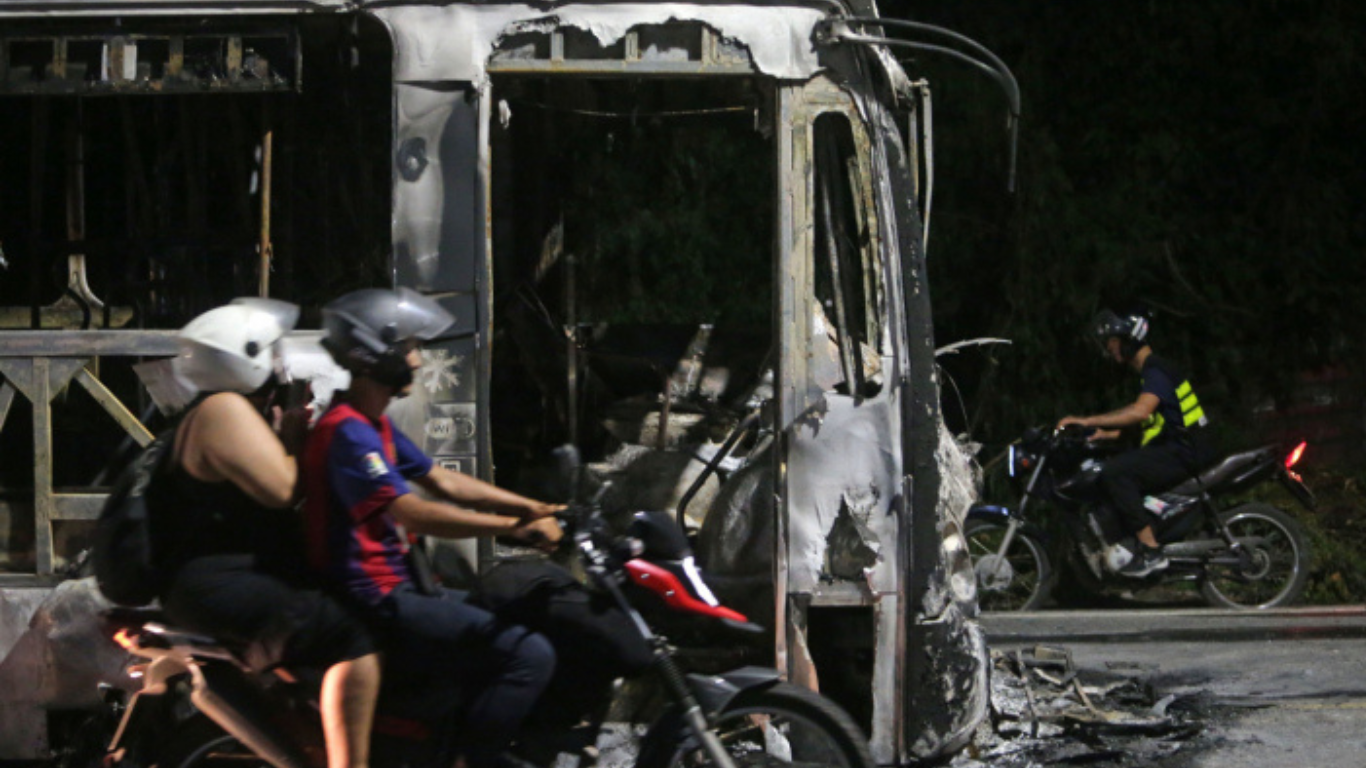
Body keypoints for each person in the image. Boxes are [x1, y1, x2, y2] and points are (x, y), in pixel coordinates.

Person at [302, 287, 563, 768]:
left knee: (529, 617)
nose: (419, 361)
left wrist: (534, 506)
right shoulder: (346, 432)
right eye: (408, 349)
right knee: (530, 656)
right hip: (374, 596)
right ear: (373, 355)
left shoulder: (371, 423)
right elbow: (411, 511)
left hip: (402, 586)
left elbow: (442, 481)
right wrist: (513, 527)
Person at [152, 298, 380, 768]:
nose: (280, 365)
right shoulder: (222, 410)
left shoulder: (219, 410)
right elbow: (283, 489)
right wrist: (299, 439)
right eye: (272, 353)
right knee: (351, 633)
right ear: (246, 356)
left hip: (223, 575)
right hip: (219, 583)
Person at [1057, 307, 1217, 578]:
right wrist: (1103, 435)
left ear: (1129, 341)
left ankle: (1150, 549)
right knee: (1119, 464)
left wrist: (1087, 421)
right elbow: (1150, 423)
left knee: (1116, 472)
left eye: (1113, 342)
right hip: (1180, 445)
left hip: (1187, 449)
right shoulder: (1151, 373)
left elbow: (1139, 412)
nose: (1109, 349)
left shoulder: (1156, 370)